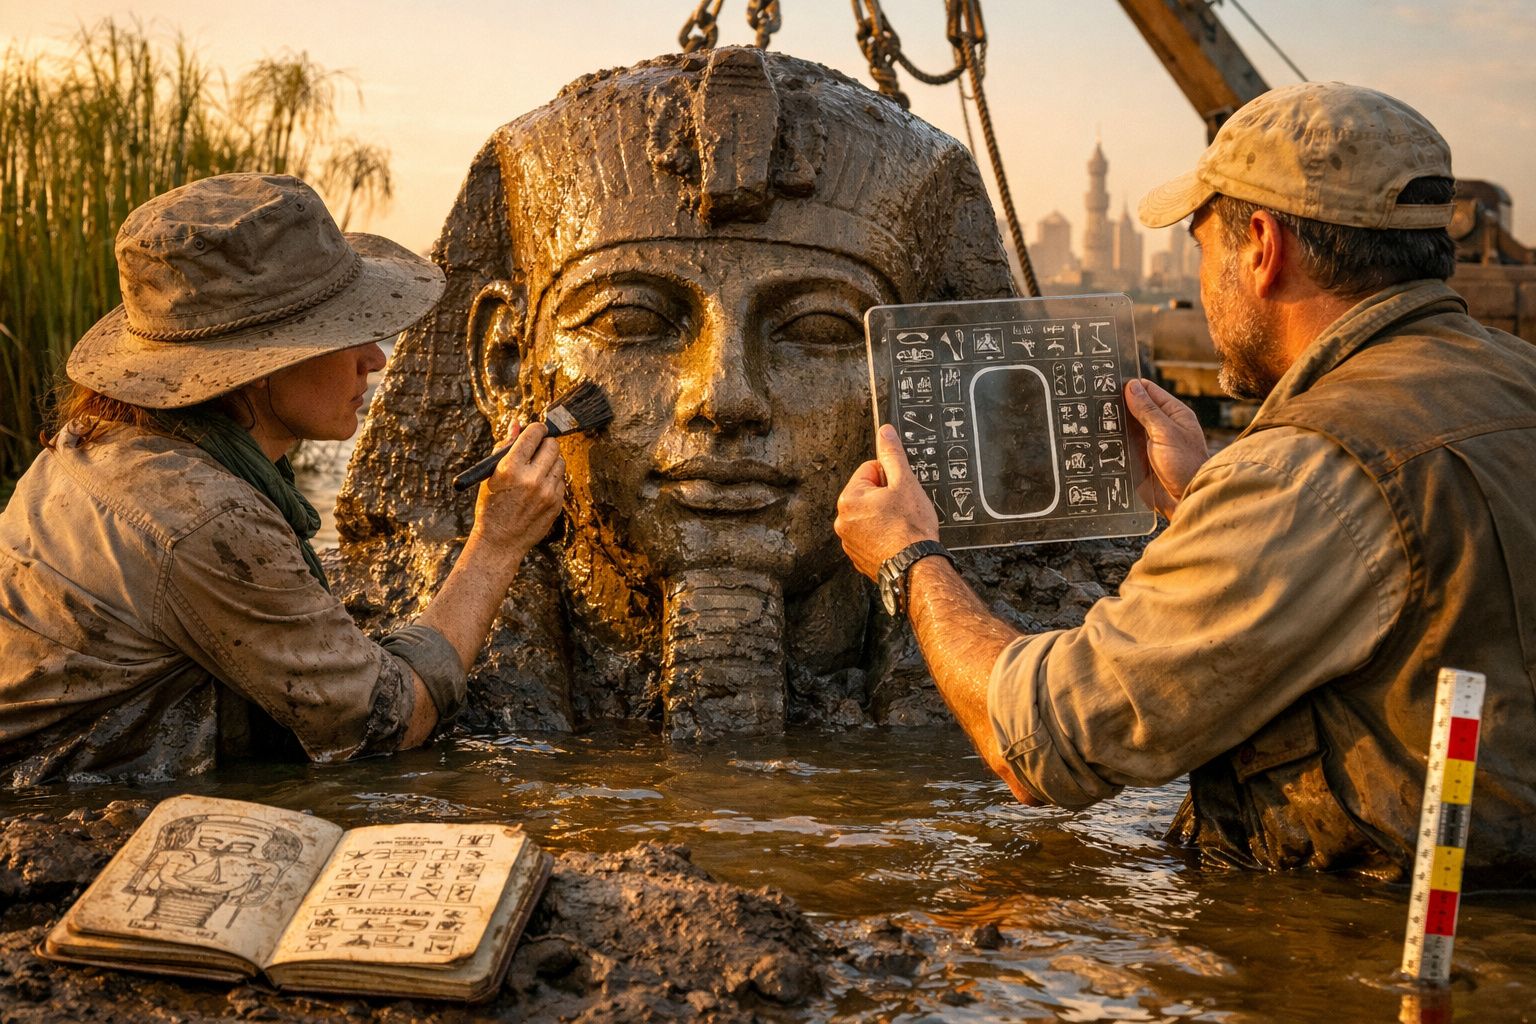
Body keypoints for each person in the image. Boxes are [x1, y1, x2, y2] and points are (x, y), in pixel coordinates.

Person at [835, 81, 1536, 882]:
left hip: (1365, 936)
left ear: (1262, 247)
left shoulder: (1309, 471)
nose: (1202, 286)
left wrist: (910, 560)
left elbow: (1042, 741)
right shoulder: (1516, 377)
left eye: (1202, 248)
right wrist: (1201, 499)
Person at [332, 47, 1020, 739]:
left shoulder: (1062, 678)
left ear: (929, 382)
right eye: (630, 322)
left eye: (817, 329)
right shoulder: (326, 640)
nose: (726, 399)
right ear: (508, 362)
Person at [0, 173, 565, 787]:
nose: (374, 358)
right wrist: (497, 542)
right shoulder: (204, 517)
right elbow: (389, 723)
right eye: (344, 331)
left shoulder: (95, 440)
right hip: (41, 801)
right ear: (258, 367)